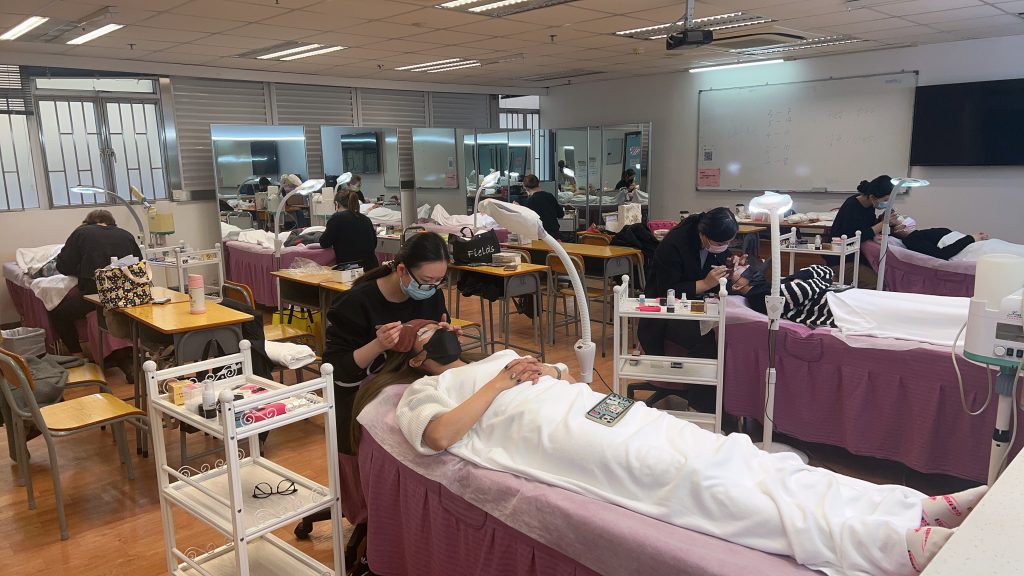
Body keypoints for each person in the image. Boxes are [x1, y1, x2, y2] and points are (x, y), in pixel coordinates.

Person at [361, 322, 988, 576]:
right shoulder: (421, 395)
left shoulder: (499, 354)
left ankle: (906, 507)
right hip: (570, 443)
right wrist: (501, 383)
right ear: (413, 357)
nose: (445, 329)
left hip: (601, 413)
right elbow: (439, 439)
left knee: (740, 455)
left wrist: (543, 370)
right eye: (428, 331)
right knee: (705, 484)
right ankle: (887, 546)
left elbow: (564, 376)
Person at [51, 209, 143, 357]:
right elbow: (139, 265)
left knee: (57, 314)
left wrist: (81, 269)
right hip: (129, 295)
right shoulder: (126, 235)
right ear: (112, 223)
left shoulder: (81, 233)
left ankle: (77, 354)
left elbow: (63, 266)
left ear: (88, 222)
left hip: (96, 297)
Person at [828, 175, 900, 288]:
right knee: (876, 285)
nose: (887, 203)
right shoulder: (852, 206)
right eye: (886, 200)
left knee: (889, 277)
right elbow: (857, 237)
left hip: (861, 256)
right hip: (843, 259)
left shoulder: (869, 205)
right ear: (872, 197)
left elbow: (868, 227)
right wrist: (883, 223)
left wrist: (882, 220)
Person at [318, 191, 378, 272]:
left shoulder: (337, 218)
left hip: (350, 271)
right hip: (372, 269)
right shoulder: (366, 219)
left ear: (337, 204)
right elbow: (374, 243)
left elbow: (324, 243)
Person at [519, 174, 563, 238]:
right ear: (539, 183)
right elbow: (561, 214)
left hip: (539, 237)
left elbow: (525, 221)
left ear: (525, 187)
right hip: (554, 235)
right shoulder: (550, 196)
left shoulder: (528, 202)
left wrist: (518, 208)